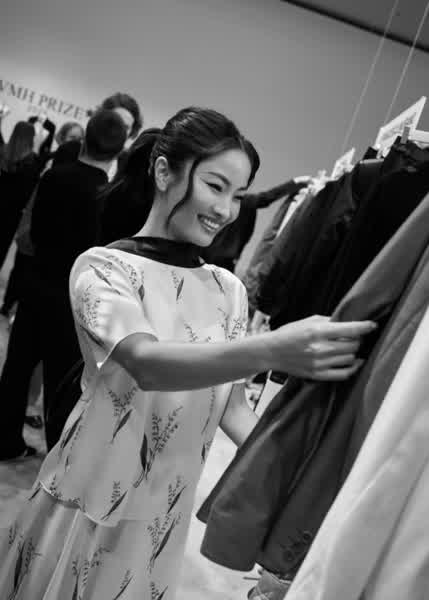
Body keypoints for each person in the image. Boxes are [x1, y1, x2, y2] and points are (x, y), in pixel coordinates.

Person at [0, 107, 375, 600]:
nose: (226, 210)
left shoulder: (228, 290)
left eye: (238, 195)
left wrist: (299, 473)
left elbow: (231, 408)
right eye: (216, 186)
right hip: (88, 497)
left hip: (162, 514)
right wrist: (273, 349)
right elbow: (146, 363)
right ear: (163, 172)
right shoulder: (104, 268)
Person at [0, 109, 128, 458]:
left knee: (17, 368)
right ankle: (57, 456)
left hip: (36, 283)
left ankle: (5, 439)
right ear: (118, 150)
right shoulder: (107, 195)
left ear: (85, 137)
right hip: (73, 299)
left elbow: (33, 233)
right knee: (61, 382)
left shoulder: (54, 177)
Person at [0, 120, 49, 273]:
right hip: (12, 215)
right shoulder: (32, 163)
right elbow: (28, 194)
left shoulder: (2, 153)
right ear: (31, 137)